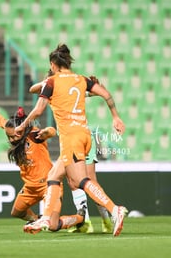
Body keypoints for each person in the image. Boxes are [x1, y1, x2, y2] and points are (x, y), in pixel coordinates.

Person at [16, 44, 127, 236]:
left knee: (80, 180)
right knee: (53, 177)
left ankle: (114, 209)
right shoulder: (81, 79)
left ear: (53, 64)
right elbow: (106, 95)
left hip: (70, 138)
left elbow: (39, 108)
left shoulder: (52, 82)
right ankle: (45, 218)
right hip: (84, 134)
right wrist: (116, 117)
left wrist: (22, 125)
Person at [0, 95, 85, 231]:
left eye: (15, 135)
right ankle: (37, 220)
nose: (12, 139)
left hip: (49, 185)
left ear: (22, 129)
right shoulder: (12, 130)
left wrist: (46, 132)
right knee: (17, 212)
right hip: (30, 187)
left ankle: (79, 218)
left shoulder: (34, 135)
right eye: (9, 136)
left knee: (53, 226)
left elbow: (52, 132)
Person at [29, 76, 114, 234]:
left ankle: (107, 218)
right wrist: (46, 83)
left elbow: (96, 93)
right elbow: (33, 89)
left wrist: (96, 87)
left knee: (88, 181)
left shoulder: (67, 91)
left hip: (78, 139)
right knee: (73, 181)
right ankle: (86, 222)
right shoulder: (52, 93)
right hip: (68, 142)